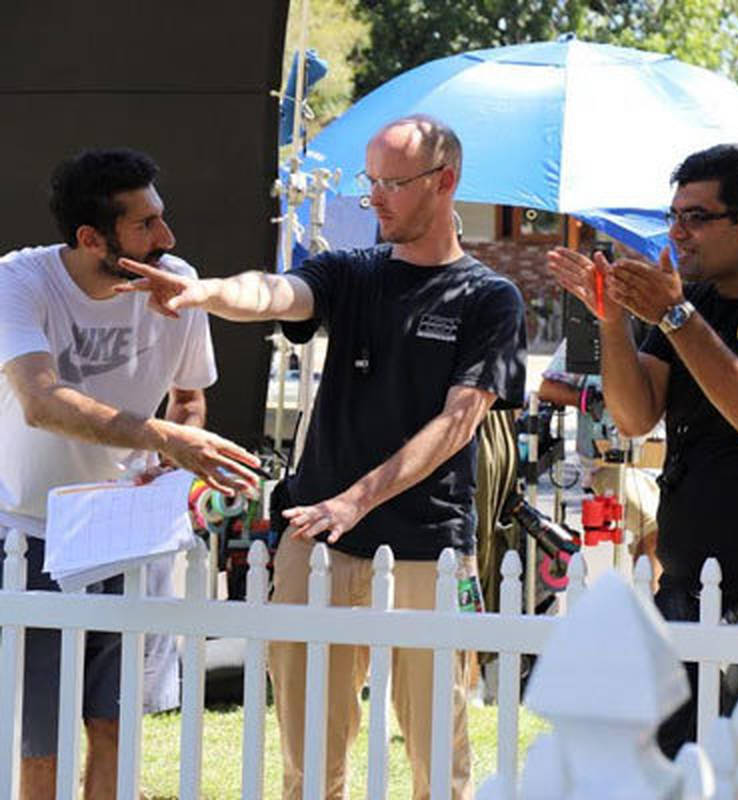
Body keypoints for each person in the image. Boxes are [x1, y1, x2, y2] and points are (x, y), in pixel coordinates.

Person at [118, 116, 526, 800]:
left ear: (445, 181)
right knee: (308, 758)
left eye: (393, 183)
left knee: (438, 757)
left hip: (428, 546)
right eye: (371, 182)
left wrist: (356, 499)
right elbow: (277, 293)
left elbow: (458, 423)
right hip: (317, 540)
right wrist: (206, 293)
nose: (376, 199)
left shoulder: (489, 298)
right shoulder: (350, 271)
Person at [547, 142, 738, 756]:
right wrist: (611, 321)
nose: (677, 233)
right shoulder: (692, 305)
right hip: (685, 587)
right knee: (667, 770)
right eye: (674, 216)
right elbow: (634, 416)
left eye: (696, 217)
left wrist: (674, 315)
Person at [0, 148, 260, 799]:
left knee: (116, 726)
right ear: (92, 238)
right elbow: (40, 401)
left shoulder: (179, 283)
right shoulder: (19, 281)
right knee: (41, 743)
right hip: (31, 535)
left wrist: (170, 456)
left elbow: (189, 397)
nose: (166, 238)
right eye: (145, 225)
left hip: (128, 538)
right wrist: (162, 436)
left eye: (161, 217)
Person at [536, 337, 662, 583]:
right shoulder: (588, 333)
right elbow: (548, 389)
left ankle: (646, 594)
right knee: (653, 523)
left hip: (664, 461)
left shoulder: (662, 332)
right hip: (608, 464)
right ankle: (649, 602)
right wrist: (591, 400)